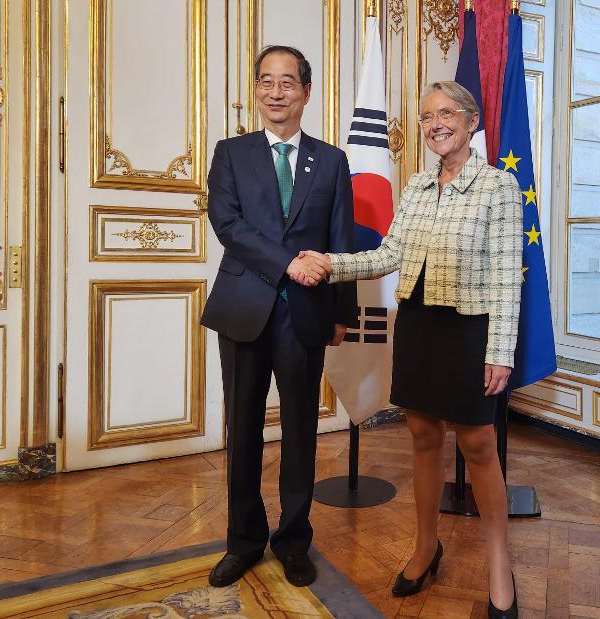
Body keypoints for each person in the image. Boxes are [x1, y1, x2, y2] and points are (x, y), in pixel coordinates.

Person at [295, 81, 523, 618]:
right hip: (418, 324)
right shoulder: (417, 187)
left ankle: (499, 562)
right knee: (422, 436)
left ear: (471, 122)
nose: (435, 123)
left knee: (479, 446)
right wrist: (331, 262)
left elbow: (507, 277)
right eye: (426, 116)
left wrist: (500, 350)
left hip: (470, 329)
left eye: (447, 113)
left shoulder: (498, 186)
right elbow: (389, 253)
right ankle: (426, 547)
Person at [200, 45, 357, 589]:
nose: (275, 92)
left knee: (300, 434)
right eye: (266, 81)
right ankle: (243, 541)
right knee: (241, 431)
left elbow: (342, 239)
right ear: (257, 89)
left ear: (306, 92)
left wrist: (344, 314)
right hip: (244, 310)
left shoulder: (332, 160)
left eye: (287, 82)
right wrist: (288, 262)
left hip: (307, 317)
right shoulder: (231, 152)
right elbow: (228, 224)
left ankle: (293, 540)